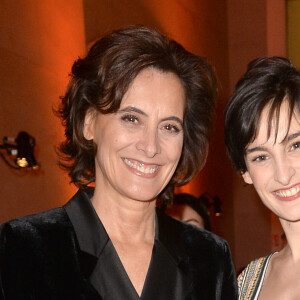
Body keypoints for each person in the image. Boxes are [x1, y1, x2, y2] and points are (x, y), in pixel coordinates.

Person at [0, 25, 238, 299]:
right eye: (131, 118)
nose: (150, 147)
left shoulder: (209, 258)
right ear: (89, 123)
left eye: (169, 127)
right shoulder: (25, 248)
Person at [225, 56, 300, 299]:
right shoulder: (247, 283)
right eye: (261, 157)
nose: (284, 174)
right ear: (245, 172)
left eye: (296, 145)